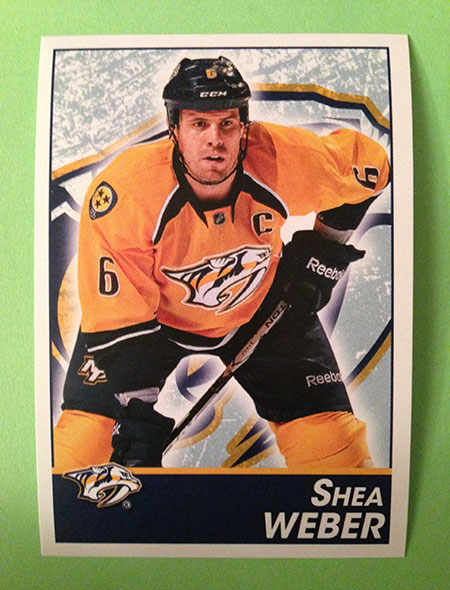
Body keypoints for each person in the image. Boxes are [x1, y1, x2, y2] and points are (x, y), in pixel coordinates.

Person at [53, 56, 390, 471]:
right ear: (174, 128)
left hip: (261, 304)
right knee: (80, 457)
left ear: (244, 126)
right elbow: (118, 317)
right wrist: (136, 413)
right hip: (151, 323)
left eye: (227, 123)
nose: (215, 139)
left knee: (337, 455)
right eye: (199, 123)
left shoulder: (282, 157)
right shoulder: (127, 191)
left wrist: (324, 251)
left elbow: (370, 165)